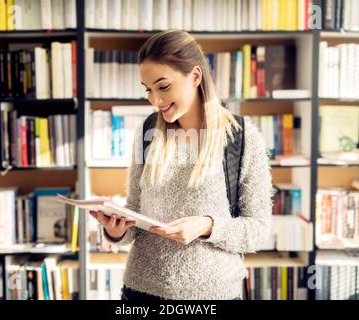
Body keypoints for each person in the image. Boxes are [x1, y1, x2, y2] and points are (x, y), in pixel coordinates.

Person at [90, 30, 273, 300]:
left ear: (195, 77)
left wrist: (206, 226)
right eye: (148, 90)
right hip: (141, 293)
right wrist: (115, 230)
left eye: (163, 87)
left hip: (214, 295)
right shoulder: (147, 131)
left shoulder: (240, 138)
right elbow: (134, 211)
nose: (155, 100)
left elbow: (257, 230)